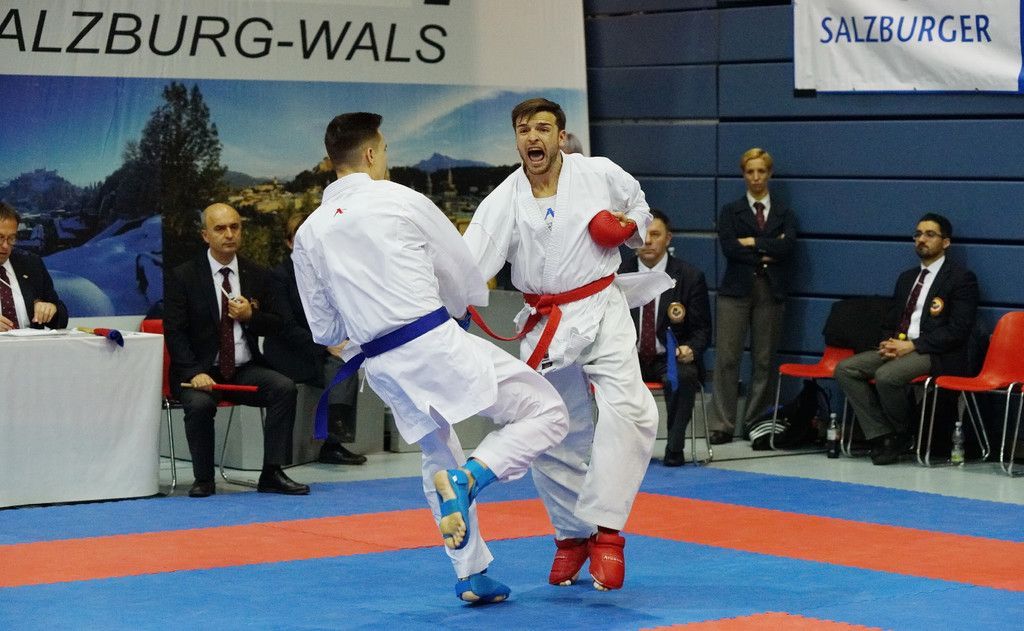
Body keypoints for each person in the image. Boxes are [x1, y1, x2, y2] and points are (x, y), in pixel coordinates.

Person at [291, 112, 568, 604]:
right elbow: (461, 271)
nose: (386, 159)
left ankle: (471, 574)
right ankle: (471, 477)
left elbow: (326, 330)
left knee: (437, 451)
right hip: (432, 341)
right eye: (385, 151)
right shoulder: (401, 200)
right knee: (547, 411)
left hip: (380, 364)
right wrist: (457, 312)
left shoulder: (309, 233)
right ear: (371, 153)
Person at [464, 97, 671, 591]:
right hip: (546, 322)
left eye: (542, 128)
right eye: (523, 130)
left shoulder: (599, 172)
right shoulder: (503, 200)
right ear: (517, 140)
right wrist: (444, 305)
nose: (532, 137)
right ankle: (572, 535)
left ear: (560, 137)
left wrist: (630, 227)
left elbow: (638, 204)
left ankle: (608, 530)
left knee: (633, 410)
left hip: (602, 305)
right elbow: (470, 264)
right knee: (555, 426)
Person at [164, 203, 309, 498]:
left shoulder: (258, 273)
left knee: (283, 388)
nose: (229, 234)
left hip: (243, 368)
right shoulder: (184, 276)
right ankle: (204, 478)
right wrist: (194, 372)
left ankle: (272, 472)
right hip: (199, 372)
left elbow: (278, 323)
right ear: (205, 235)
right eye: (220, 229)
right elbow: (175, 333)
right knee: (200, 405)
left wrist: (250, 316)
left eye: (235, 227)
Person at [834, 213, 978, 465]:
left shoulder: (960, 278)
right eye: (918, 234)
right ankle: (883, 434)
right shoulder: (907, 278)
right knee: (846, 369)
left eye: (930, 234)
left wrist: (912, 346)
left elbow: (958, 329)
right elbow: (891, 320)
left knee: (887, 376)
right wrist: (887, 343)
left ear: (945, 242)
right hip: (900, 346)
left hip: (934, 352)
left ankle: (903, 432)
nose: (922, 239)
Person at [263, 212, 366, 466]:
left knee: (348, 361)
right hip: (288, 351)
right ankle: (334, 440)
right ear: (289, 242)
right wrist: (327, 346)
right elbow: (286, 327)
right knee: (339, 366)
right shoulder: (279, 276)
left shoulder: (326, 274)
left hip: (320, 347)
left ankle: (335, 438)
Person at [710, 147, 796, 445]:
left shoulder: (784, 212)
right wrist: (768, 249)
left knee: (764, 359)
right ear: (743, 174)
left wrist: (752, 242)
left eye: (761, 171)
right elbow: (730, 249)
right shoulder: (730, 211)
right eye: (750, 172)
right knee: (727, 358)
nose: (756, 177)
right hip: (735, 290)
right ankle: (722, 423)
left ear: (769, 173)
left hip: (770, 290)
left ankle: (755, 420)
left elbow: (787, 248)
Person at [619, 209, 711, 467]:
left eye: (655, 234)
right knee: (607, 376)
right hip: (628, 356)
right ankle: (622, 449)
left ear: (668, 238)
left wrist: (691, 349)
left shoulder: (689, 276)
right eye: (642, 235)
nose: (648, 241)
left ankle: (674, 447)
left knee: (684, 376)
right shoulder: (618, 274)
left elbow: (703, 330)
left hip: (669, 356)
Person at [0, 202, 68, 332]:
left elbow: (61, 319)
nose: (5, 245)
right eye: (0, 237)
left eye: (11, 238)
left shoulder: (31, 264)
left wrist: (51, 309)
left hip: (31, 344)